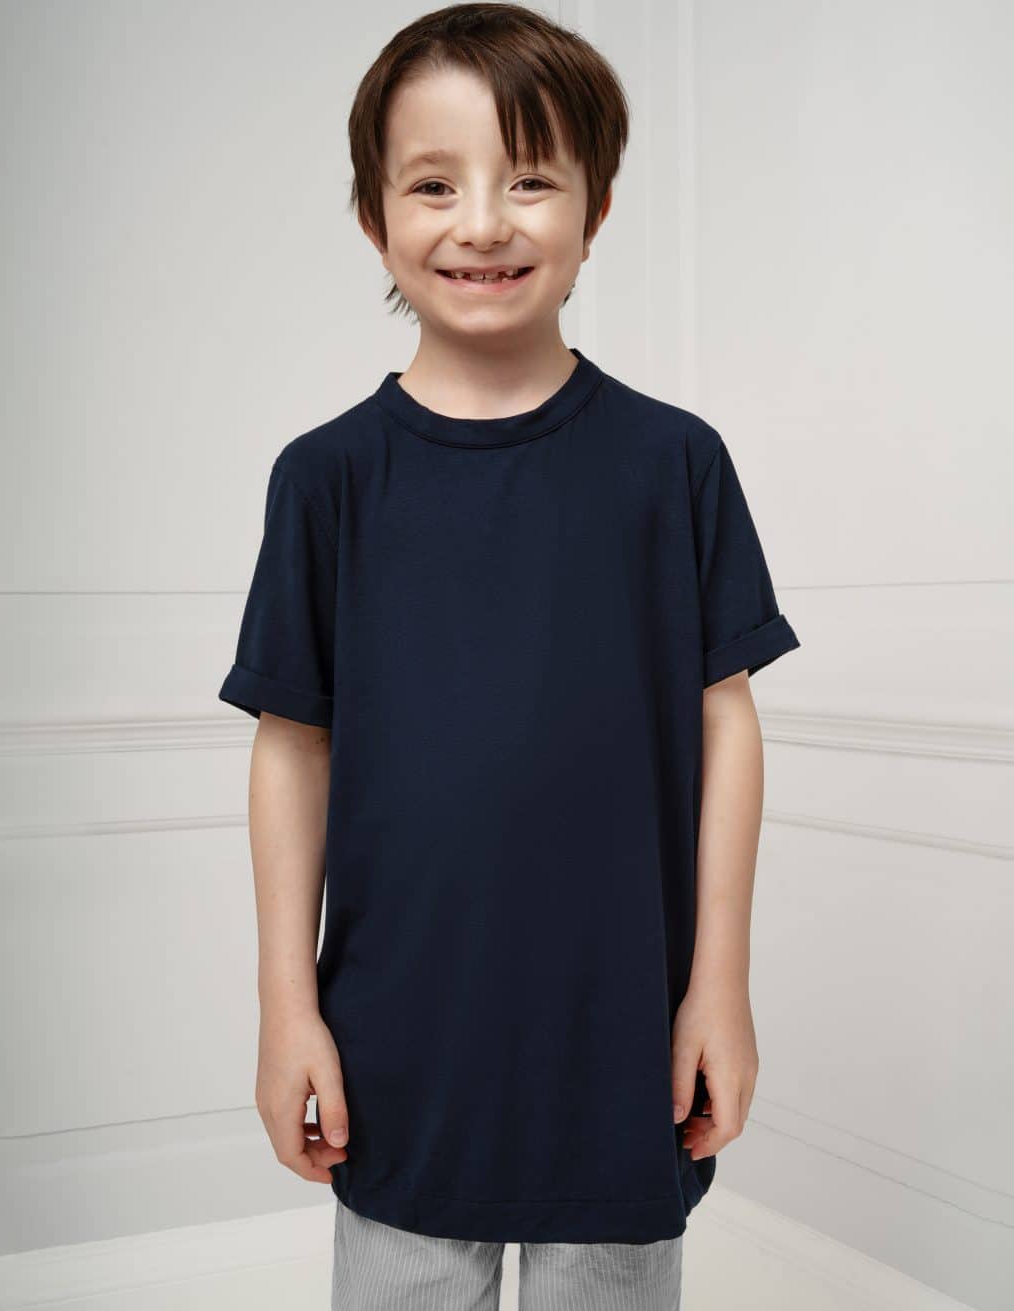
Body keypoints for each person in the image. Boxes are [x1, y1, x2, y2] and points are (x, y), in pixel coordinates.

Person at [217, 4, 801, 1306]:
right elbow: (291, 742)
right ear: (376, 216)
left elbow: (727, 723)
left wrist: (721, 985)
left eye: (531, 178)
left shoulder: (673, 466)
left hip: (621, 1035)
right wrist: (285, 1008)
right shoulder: (327, 483)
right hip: (399, 1039)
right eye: (435, 183)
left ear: (595, 212)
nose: (482, 222)